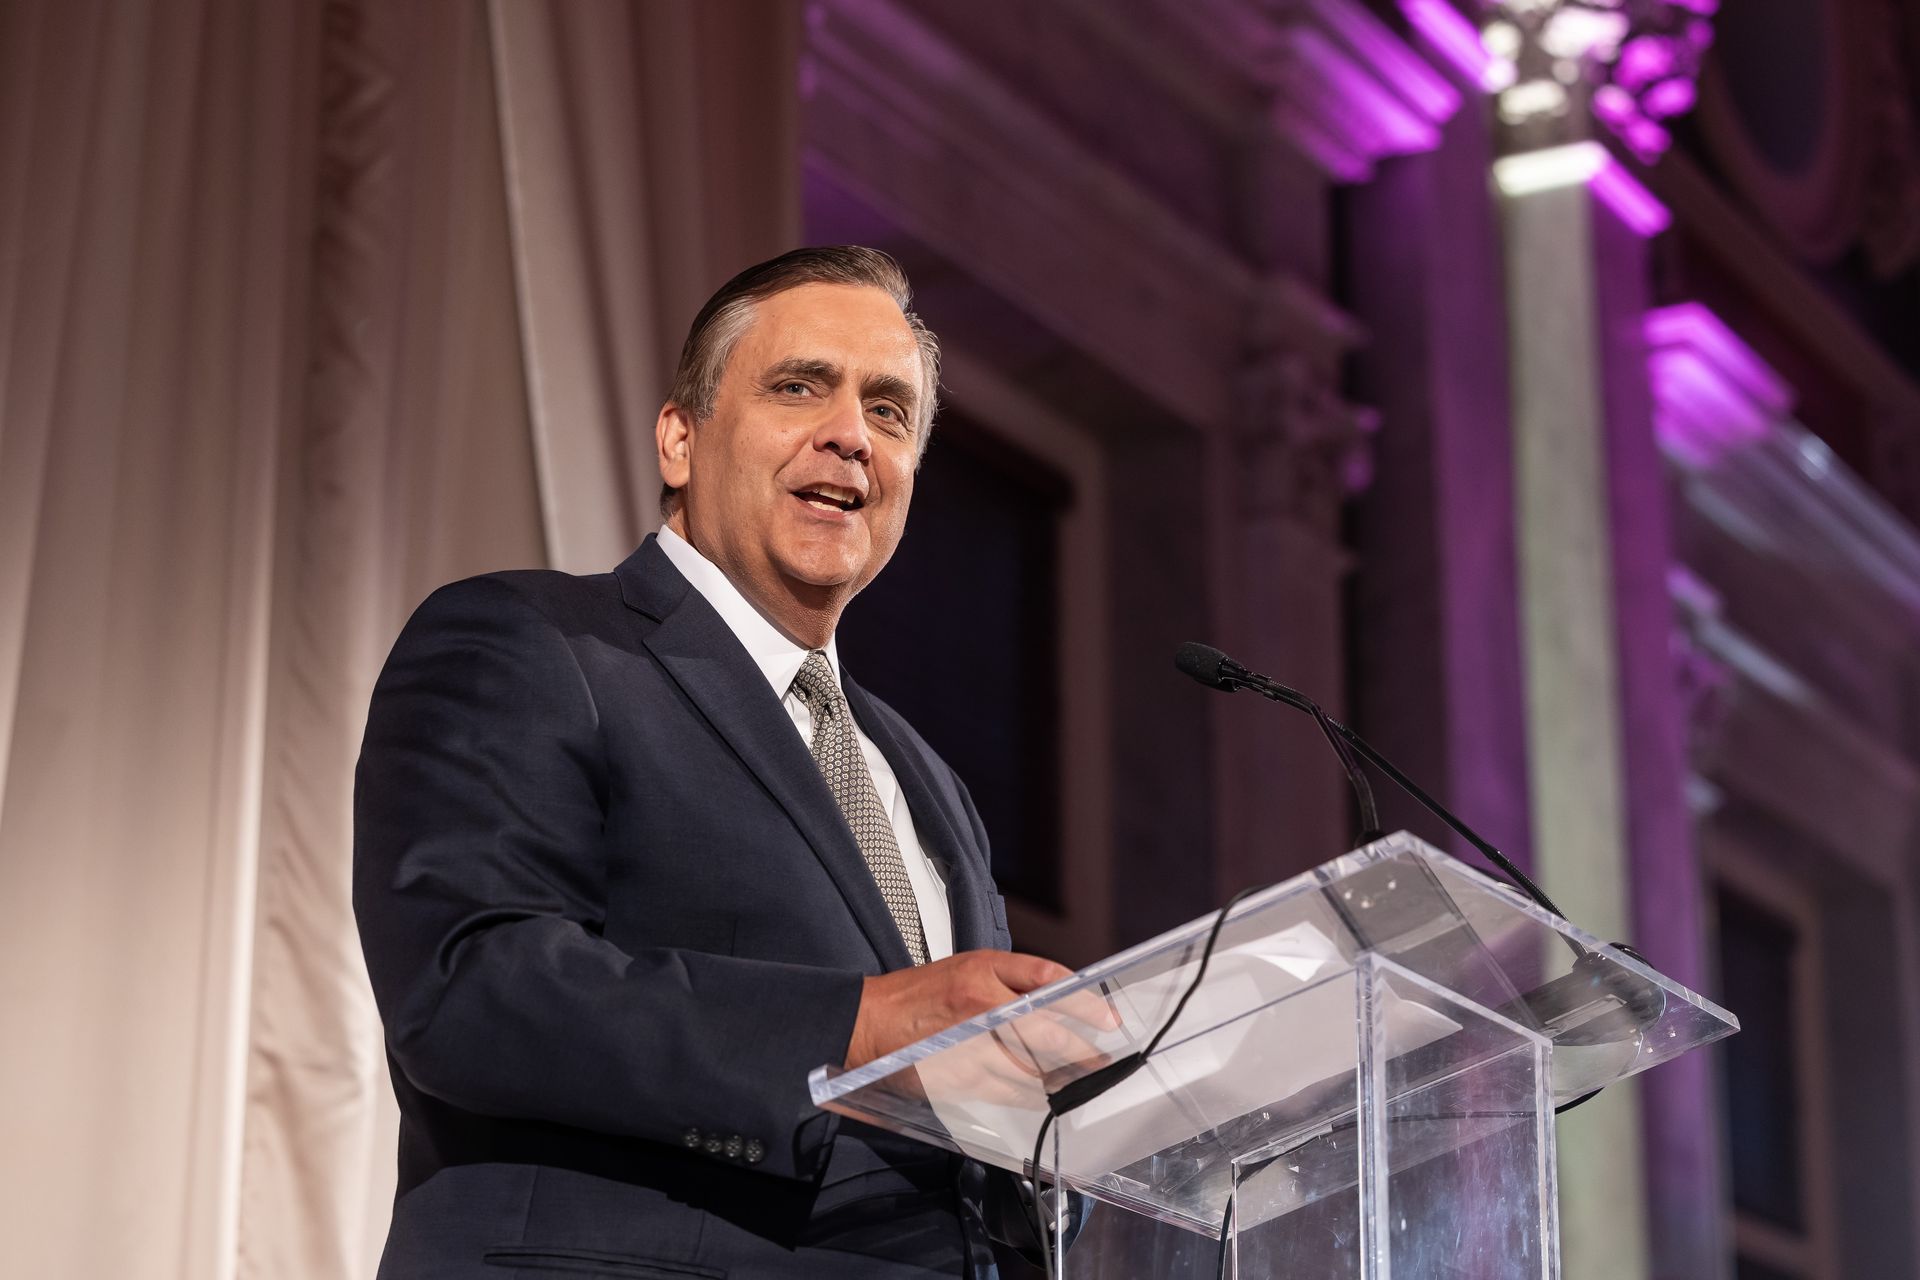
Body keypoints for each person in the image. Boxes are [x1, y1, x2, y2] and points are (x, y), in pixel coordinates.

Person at [354, 246, 1090, 1278]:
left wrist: (1073, 1127)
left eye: (888, 411)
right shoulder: (530, 642)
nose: (851, 434)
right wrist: (861, 1024)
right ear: (680, 438)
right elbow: (469, 991)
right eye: (799, 387)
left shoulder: (929, 780)